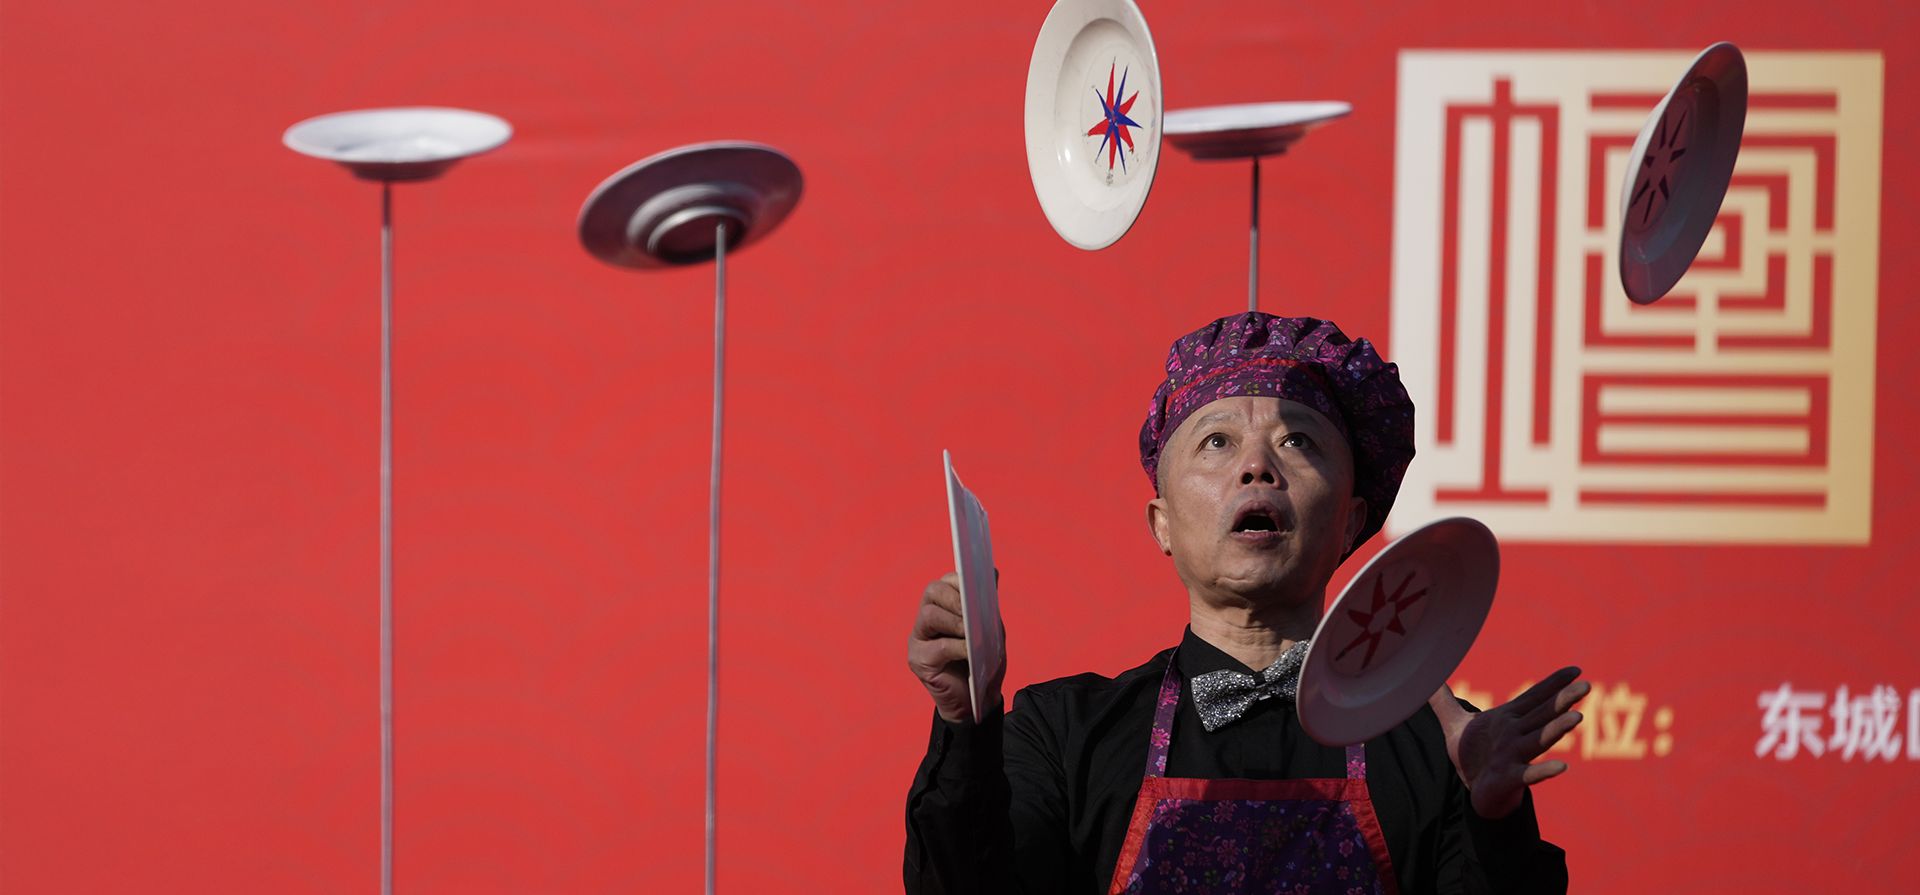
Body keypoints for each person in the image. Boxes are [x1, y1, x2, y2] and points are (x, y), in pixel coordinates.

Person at [904, 312, 1587, 894]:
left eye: (1297, 440)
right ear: (1162, 523)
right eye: (1217, 441)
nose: (1257, 466)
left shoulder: (1436, 744)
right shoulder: (1064, 733)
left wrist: (1494, 819)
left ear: (1352, 520)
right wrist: (967, 725)